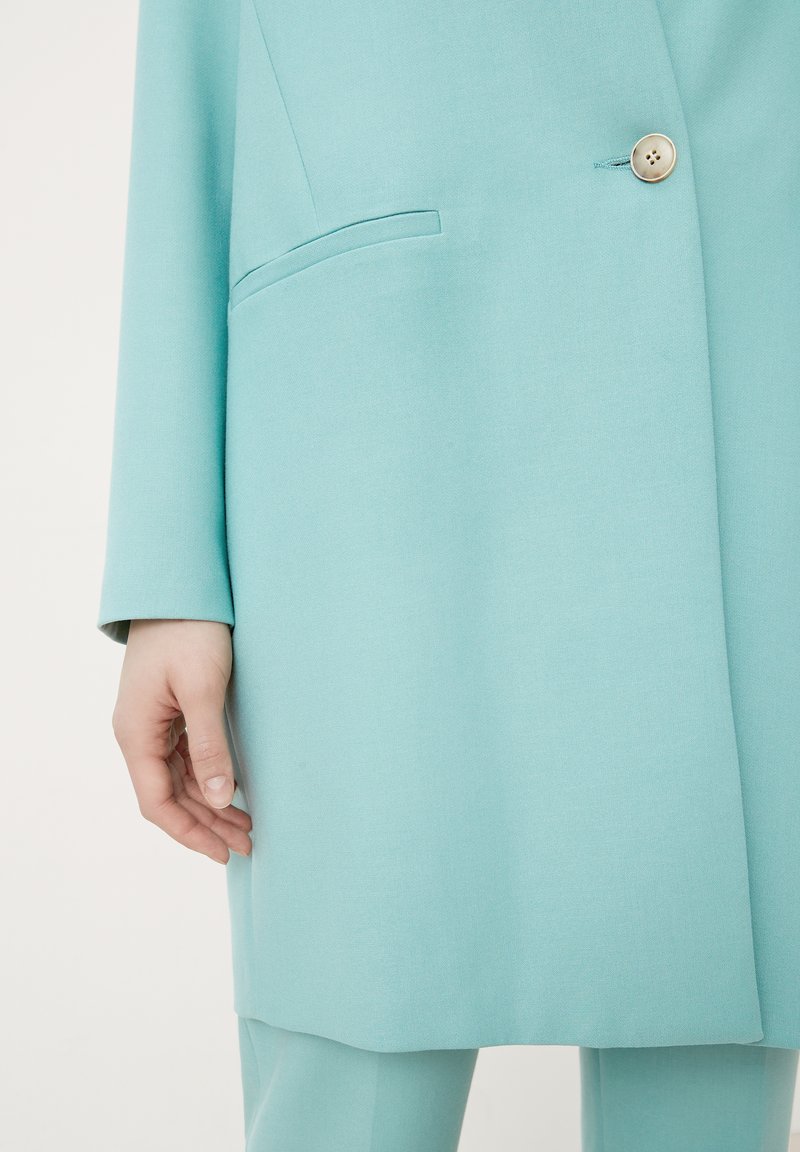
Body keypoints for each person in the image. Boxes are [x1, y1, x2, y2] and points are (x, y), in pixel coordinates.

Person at [98, 0, 800, 1148]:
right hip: (372, 418)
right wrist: (168, 566)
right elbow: (194, 65)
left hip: (745, 329)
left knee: (711, 1025)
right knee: (352, 1043)